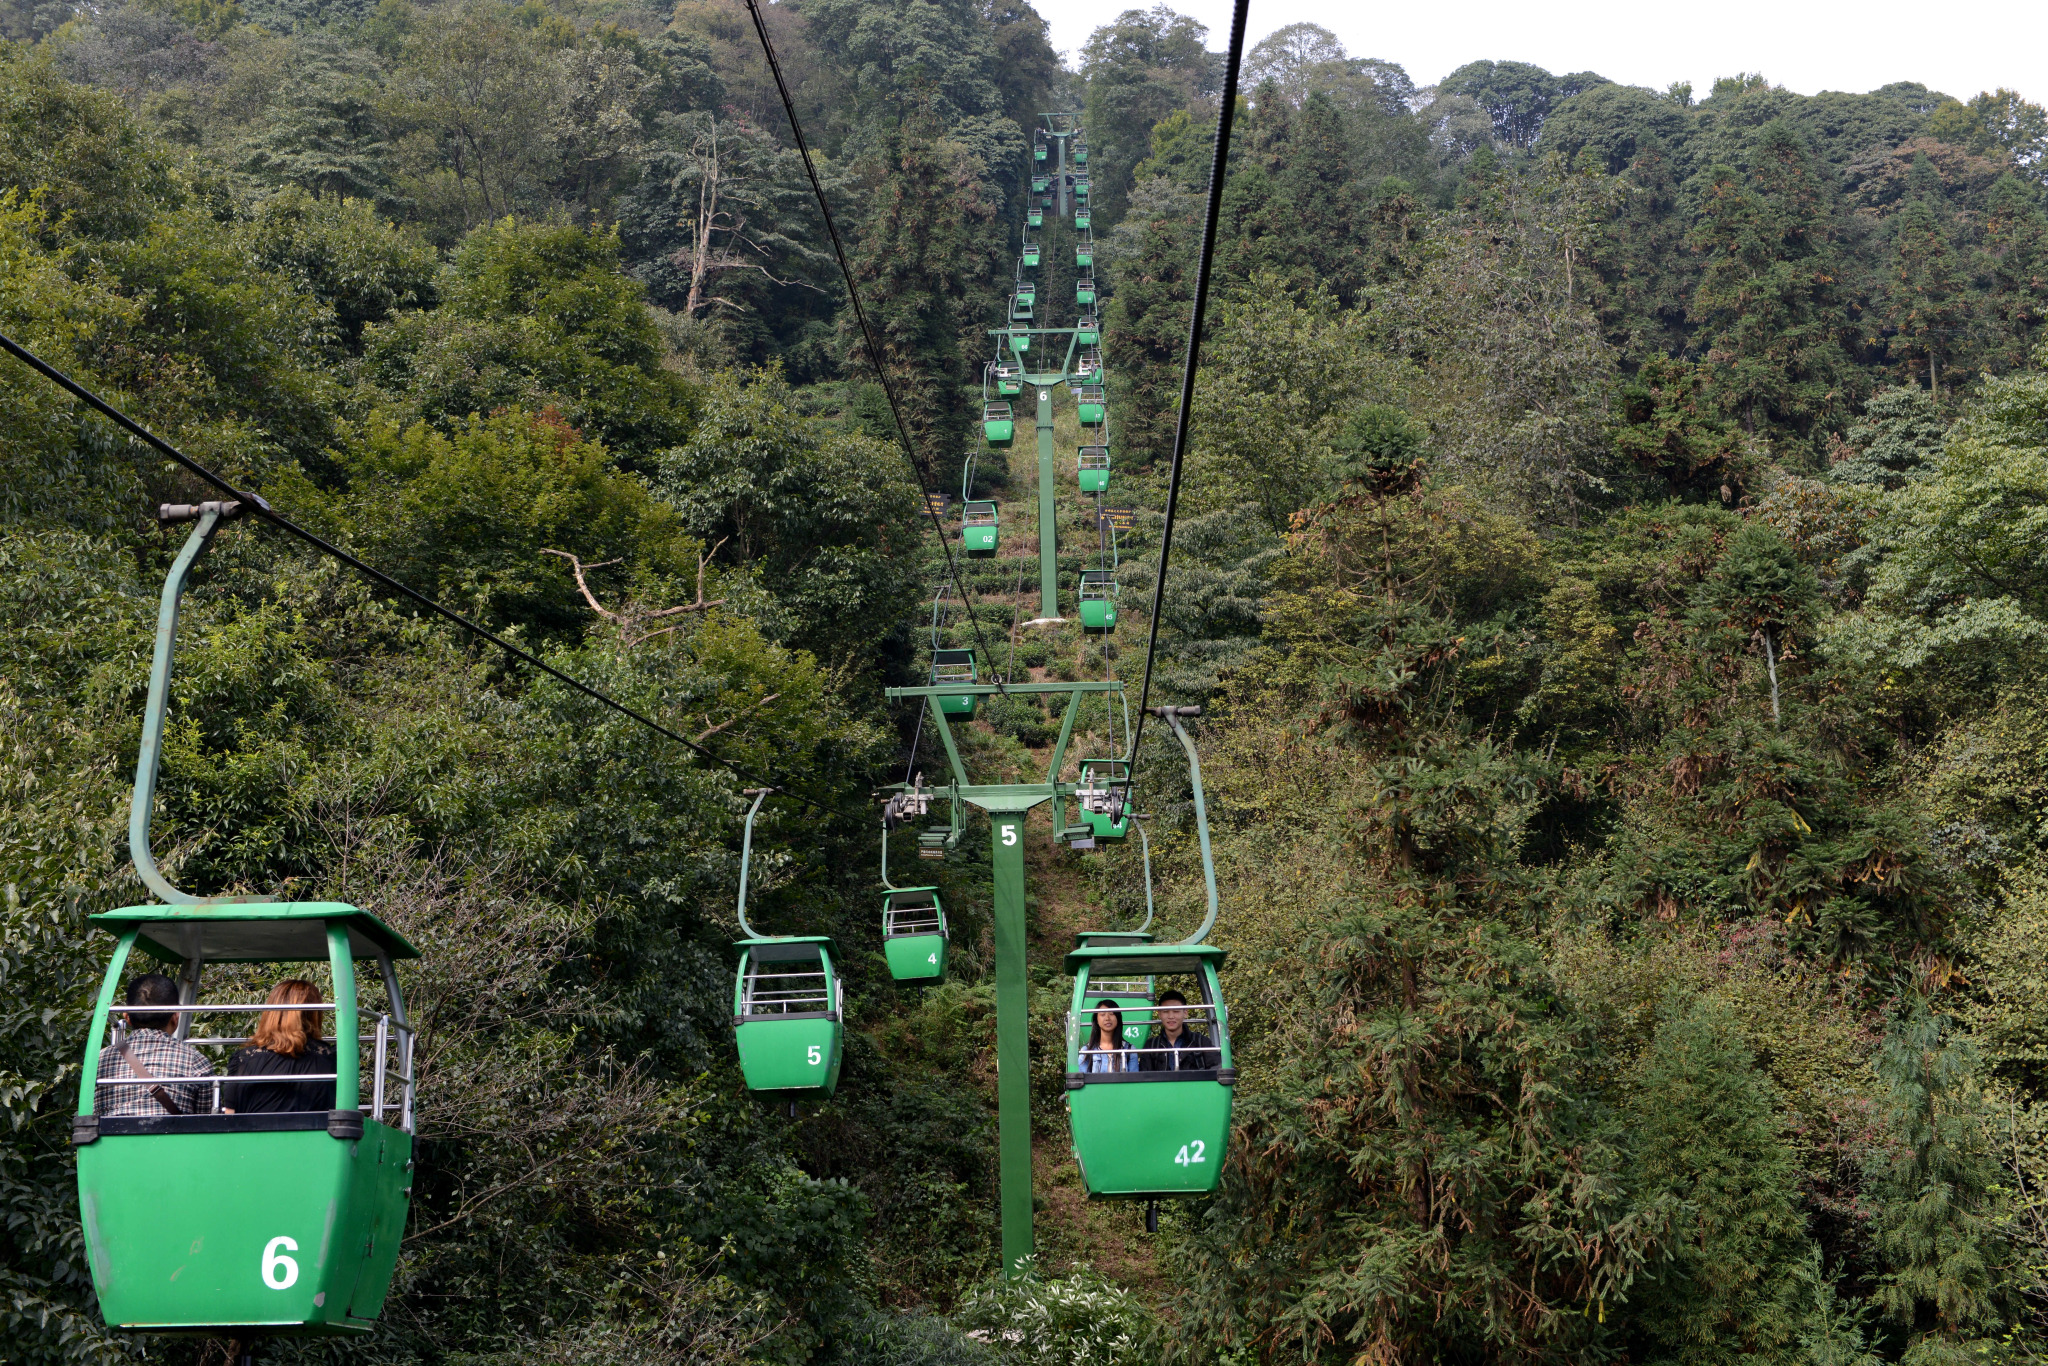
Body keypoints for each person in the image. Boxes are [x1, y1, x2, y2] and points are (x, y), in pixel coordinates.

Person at [95, 973, 213, 1117]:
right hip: (172, 1138)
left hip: (110, 1138)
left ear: (127, 1017)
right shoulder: (196, 1061)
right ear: (176, 1016)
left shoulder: (98, 1060)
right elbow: (206, 1123)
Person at [223, 979, 337, 1114]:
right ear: (315, 1013)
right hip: (314, 1133)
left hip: (255, 1133)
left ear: (270, 1011)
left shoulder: (243, 1059)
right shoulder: (331, 1059)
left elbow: (230, 1116)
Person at [1138, 990, 1218, 1071]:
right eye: (1165, 1011)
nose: (1171, 1016)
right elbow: (1144, 1076)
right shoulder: (1151, 1045)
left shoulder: (1201, 1042)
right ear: (1159, 1014)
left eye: (1176, 1011)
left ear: (1185, 1013)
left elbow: (1217, 1068)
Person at [1078, 1000, 1136, 1074]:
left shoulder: (1129, 1050)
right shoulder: (1086, 1051)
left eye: (1111, 1014)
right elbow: (1084, 1081)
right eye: (1102, 1014)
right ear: (1097, 1020)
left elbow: (1134, 1082)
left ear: (1118, 1018)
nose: (1107, 1018)